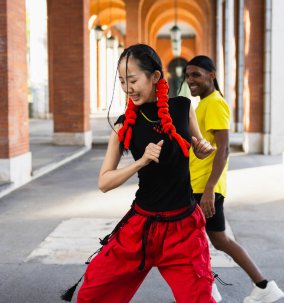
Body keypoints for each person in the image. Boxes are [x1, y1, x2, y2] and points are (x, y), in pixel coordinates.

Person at [61, 44, 218, 303]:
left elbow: (199, 147)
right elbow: (104, 182)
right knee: (92, 295)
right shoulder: (124, 125)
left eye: (132, 80)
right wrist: (140, 162)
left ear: (155, 77)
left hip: (183, 230)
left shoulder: (182, 107)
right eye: (122, 81)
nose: (127, 88)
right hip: (140, 228)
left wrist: (203, 149)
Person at [183, 55, 284, 303]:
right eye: (187, 75)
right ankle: (229, 288)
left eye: (196, 74)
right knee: (210, 239)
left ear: (211, 75)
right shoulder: (203, 104)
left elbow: (224, 149)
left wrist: (209, 189)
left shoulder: (215, 104)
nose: (191, 80)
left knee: (205, 239)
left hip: (205, 187)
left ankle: (262, 286)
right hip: (197, 185)